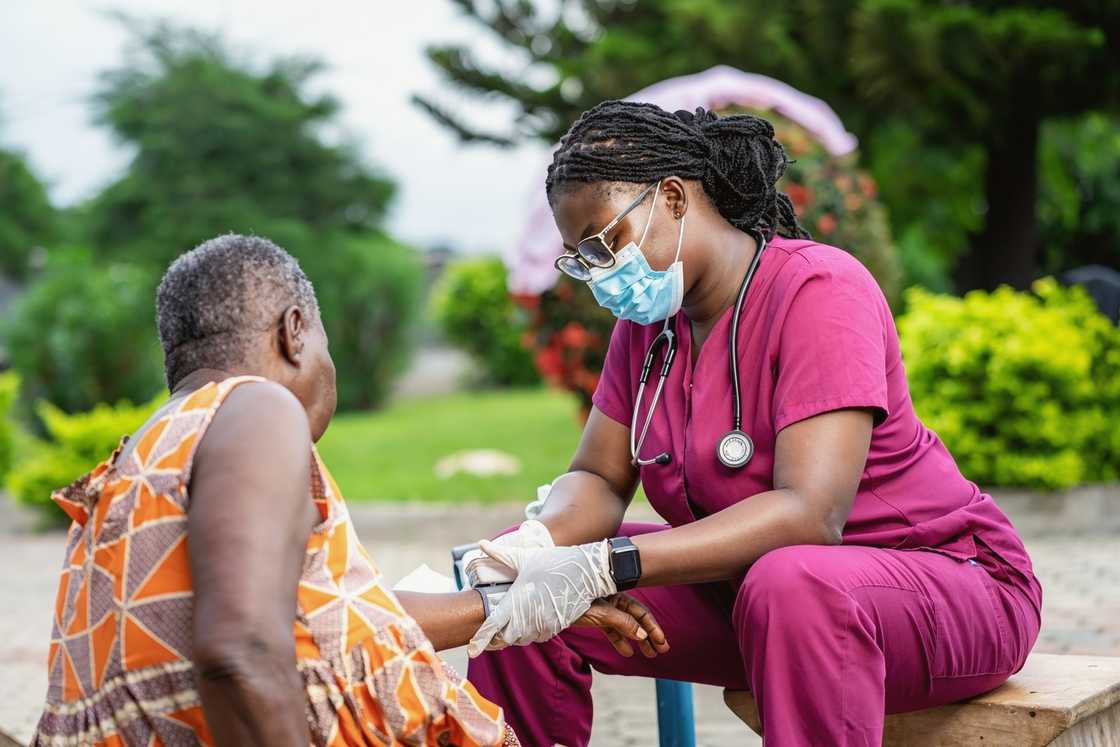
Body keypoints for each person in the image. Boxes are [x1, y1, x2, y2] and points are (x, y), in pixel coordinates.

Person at [464, 102, 1044, 746]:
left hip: (944, 589)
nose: (600, 275)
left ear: (676, 199)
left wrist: (610, 565)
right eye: (580, 259)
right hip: (758, 601)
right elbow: (598, 475)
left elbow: (810, 513)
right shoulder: (647, 330)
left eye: (604, 243)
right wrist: (538, 548)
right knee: (521, 603)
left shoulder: (821, 289)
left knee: (791, 581)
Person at [31, 234, 666, 747]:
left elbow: (312, 626)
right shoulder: (256, 407)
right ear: (294, 330)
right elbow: (239, 650)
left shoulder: (136, 464)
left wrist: (506, 601)